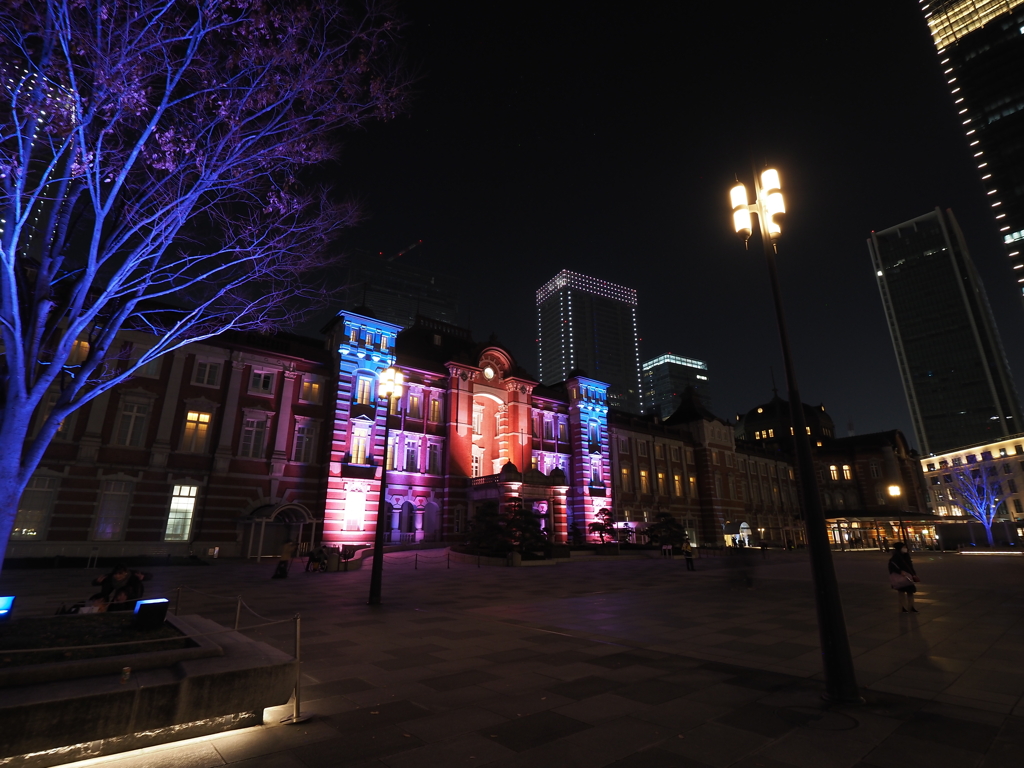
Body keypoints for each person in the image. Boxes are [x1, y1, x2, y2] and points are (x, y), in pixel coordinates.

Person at [888, 542, 919, 613]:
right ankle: (903, 607)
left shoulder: (906, 556)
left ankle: (911, 607)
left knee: (910, 591)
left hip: (908, 576)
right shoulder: (895, 557)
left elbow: (910, 566)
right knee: (901, 592)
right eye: (904, 547)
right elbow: (892, 567)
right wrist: (900, 571)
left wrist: (914, 574)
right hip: (901, 577)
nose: (905, 548)